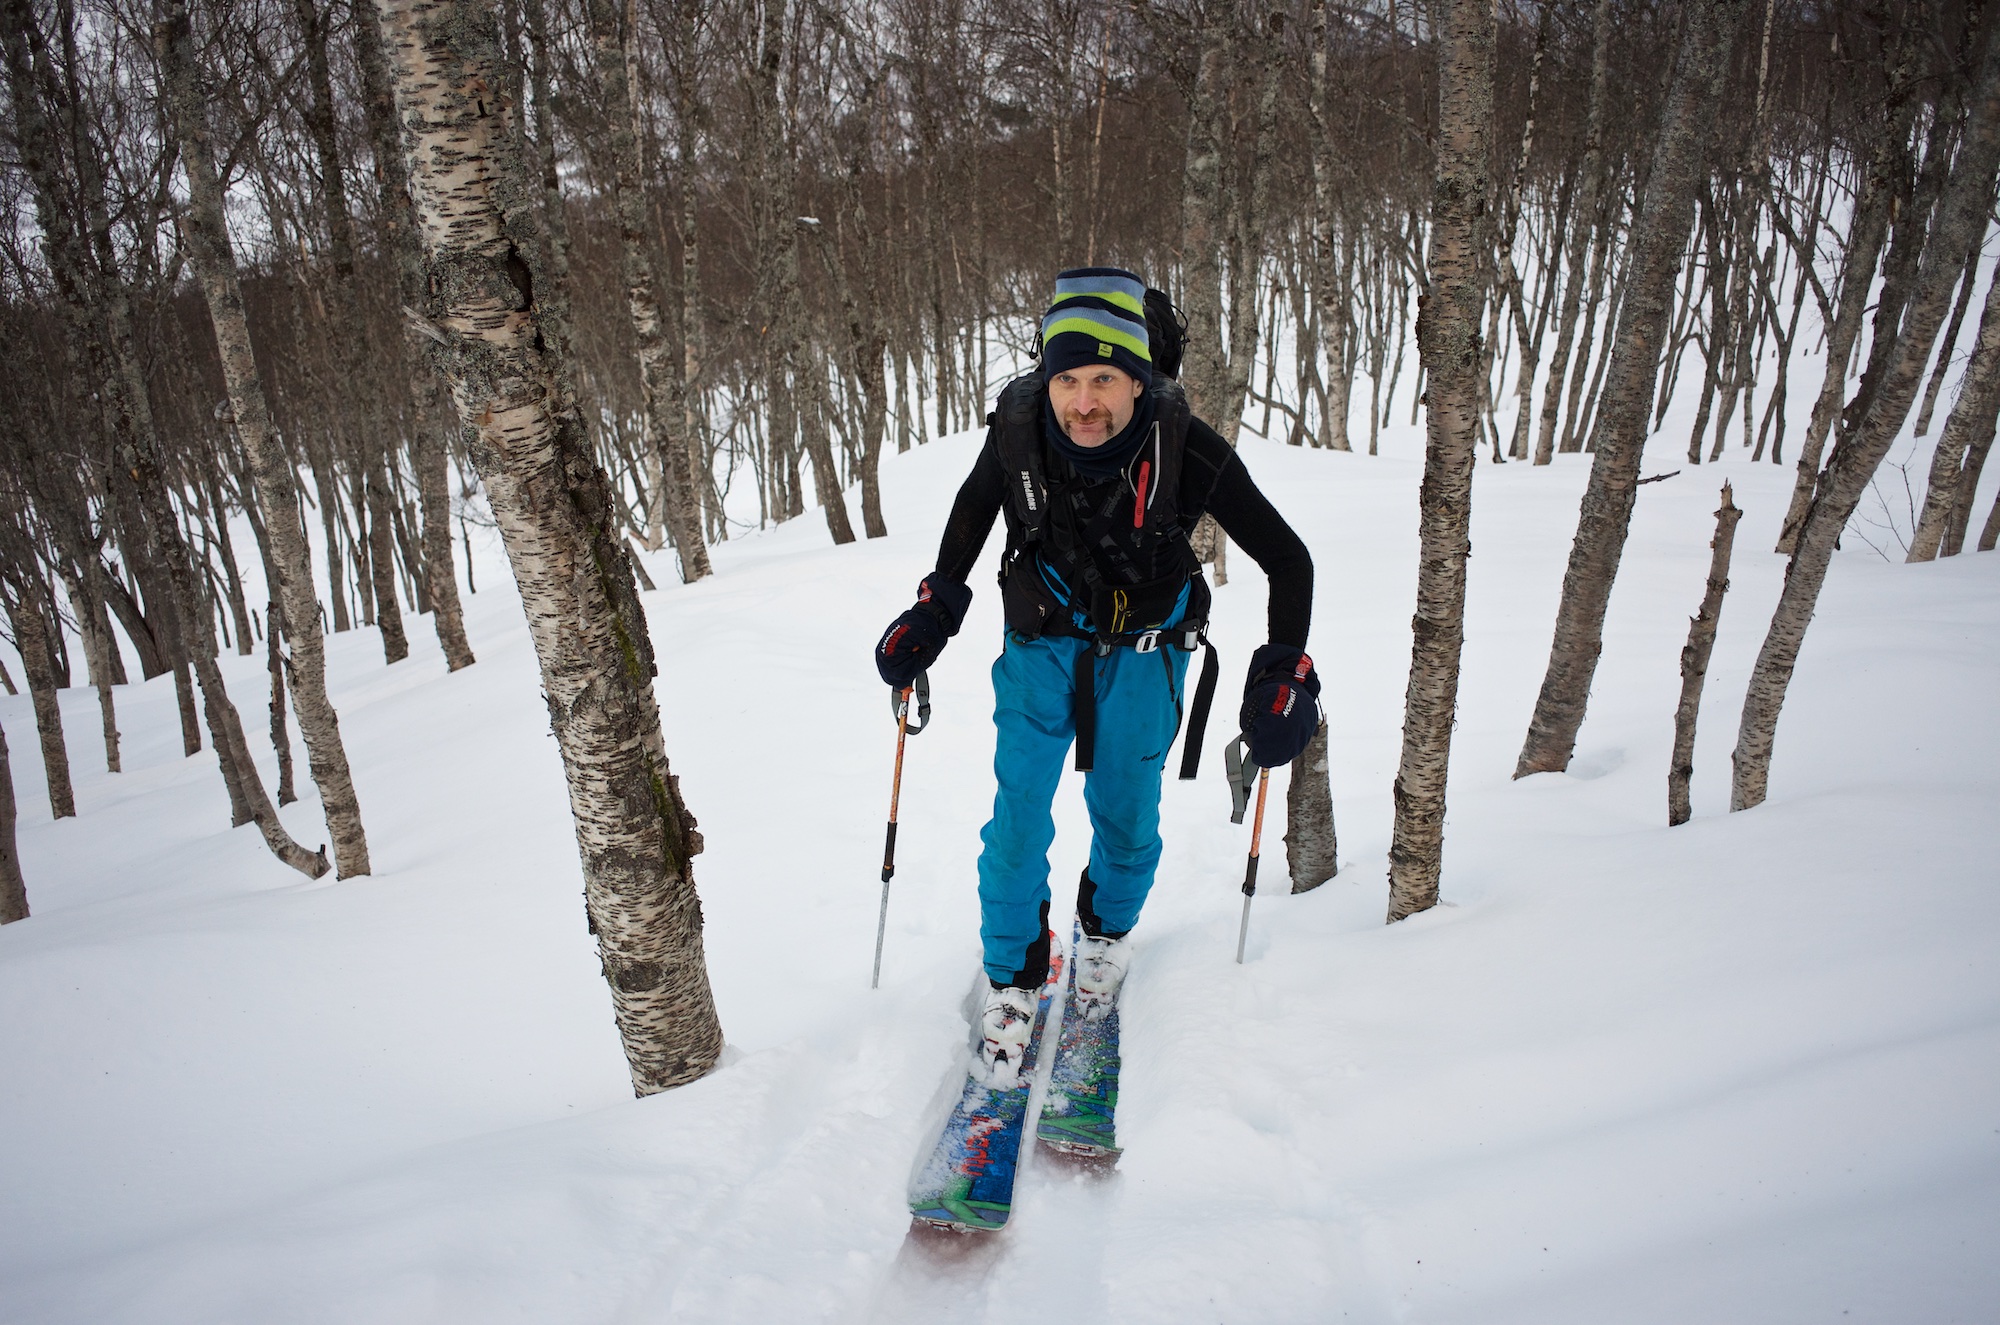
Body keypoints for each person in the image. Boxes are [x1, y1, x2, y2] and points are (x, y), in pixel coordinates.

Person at [874, 266, 1318, 1085]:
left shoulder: (1182, 445)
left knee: (1126, 818)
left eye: (1105, 379)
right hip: (1040, 643)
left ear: (1139, 379)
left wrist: (1285, 671)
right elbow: (971, 517)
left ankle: (1103, 935)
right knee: (1015, 826)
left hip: (1148, 650)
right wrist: (936, 607)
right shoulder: (1019, 429)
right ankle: (1014, 981)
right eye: (1067, 377)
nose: (1083, 401)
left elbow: (1288, 559)